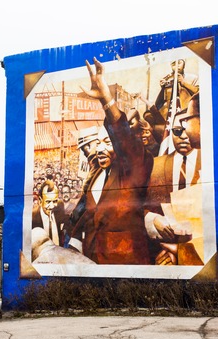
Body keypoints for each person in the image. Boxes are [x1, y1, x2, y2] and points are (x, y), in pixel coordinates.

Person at [67, 57, 153, 265]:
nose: (101, 148)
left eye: (108, 141)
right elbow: (85, 217)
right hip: (93, 270)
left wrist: (106, 97)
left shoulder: (133, 165)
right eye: (98, 142)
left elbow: (123, 138)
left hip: (127, 270)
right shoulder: (96, 174)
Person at [144, 93, 203, 265]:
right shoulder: (155, 166)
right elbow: (141, 207)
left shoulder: (210, 163)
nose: (184, 136)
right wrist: (153, 221)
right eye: (177, 131)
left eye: (187, 129)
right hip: (161, 257)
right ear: (170, 133)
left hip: (199, 256)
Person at [32, 180, 67, 247]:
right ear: (40, 200)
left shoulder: (59, 209)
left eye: (54, 201)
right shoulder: (32, 218)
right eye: (48, 202)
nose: (52, 206)